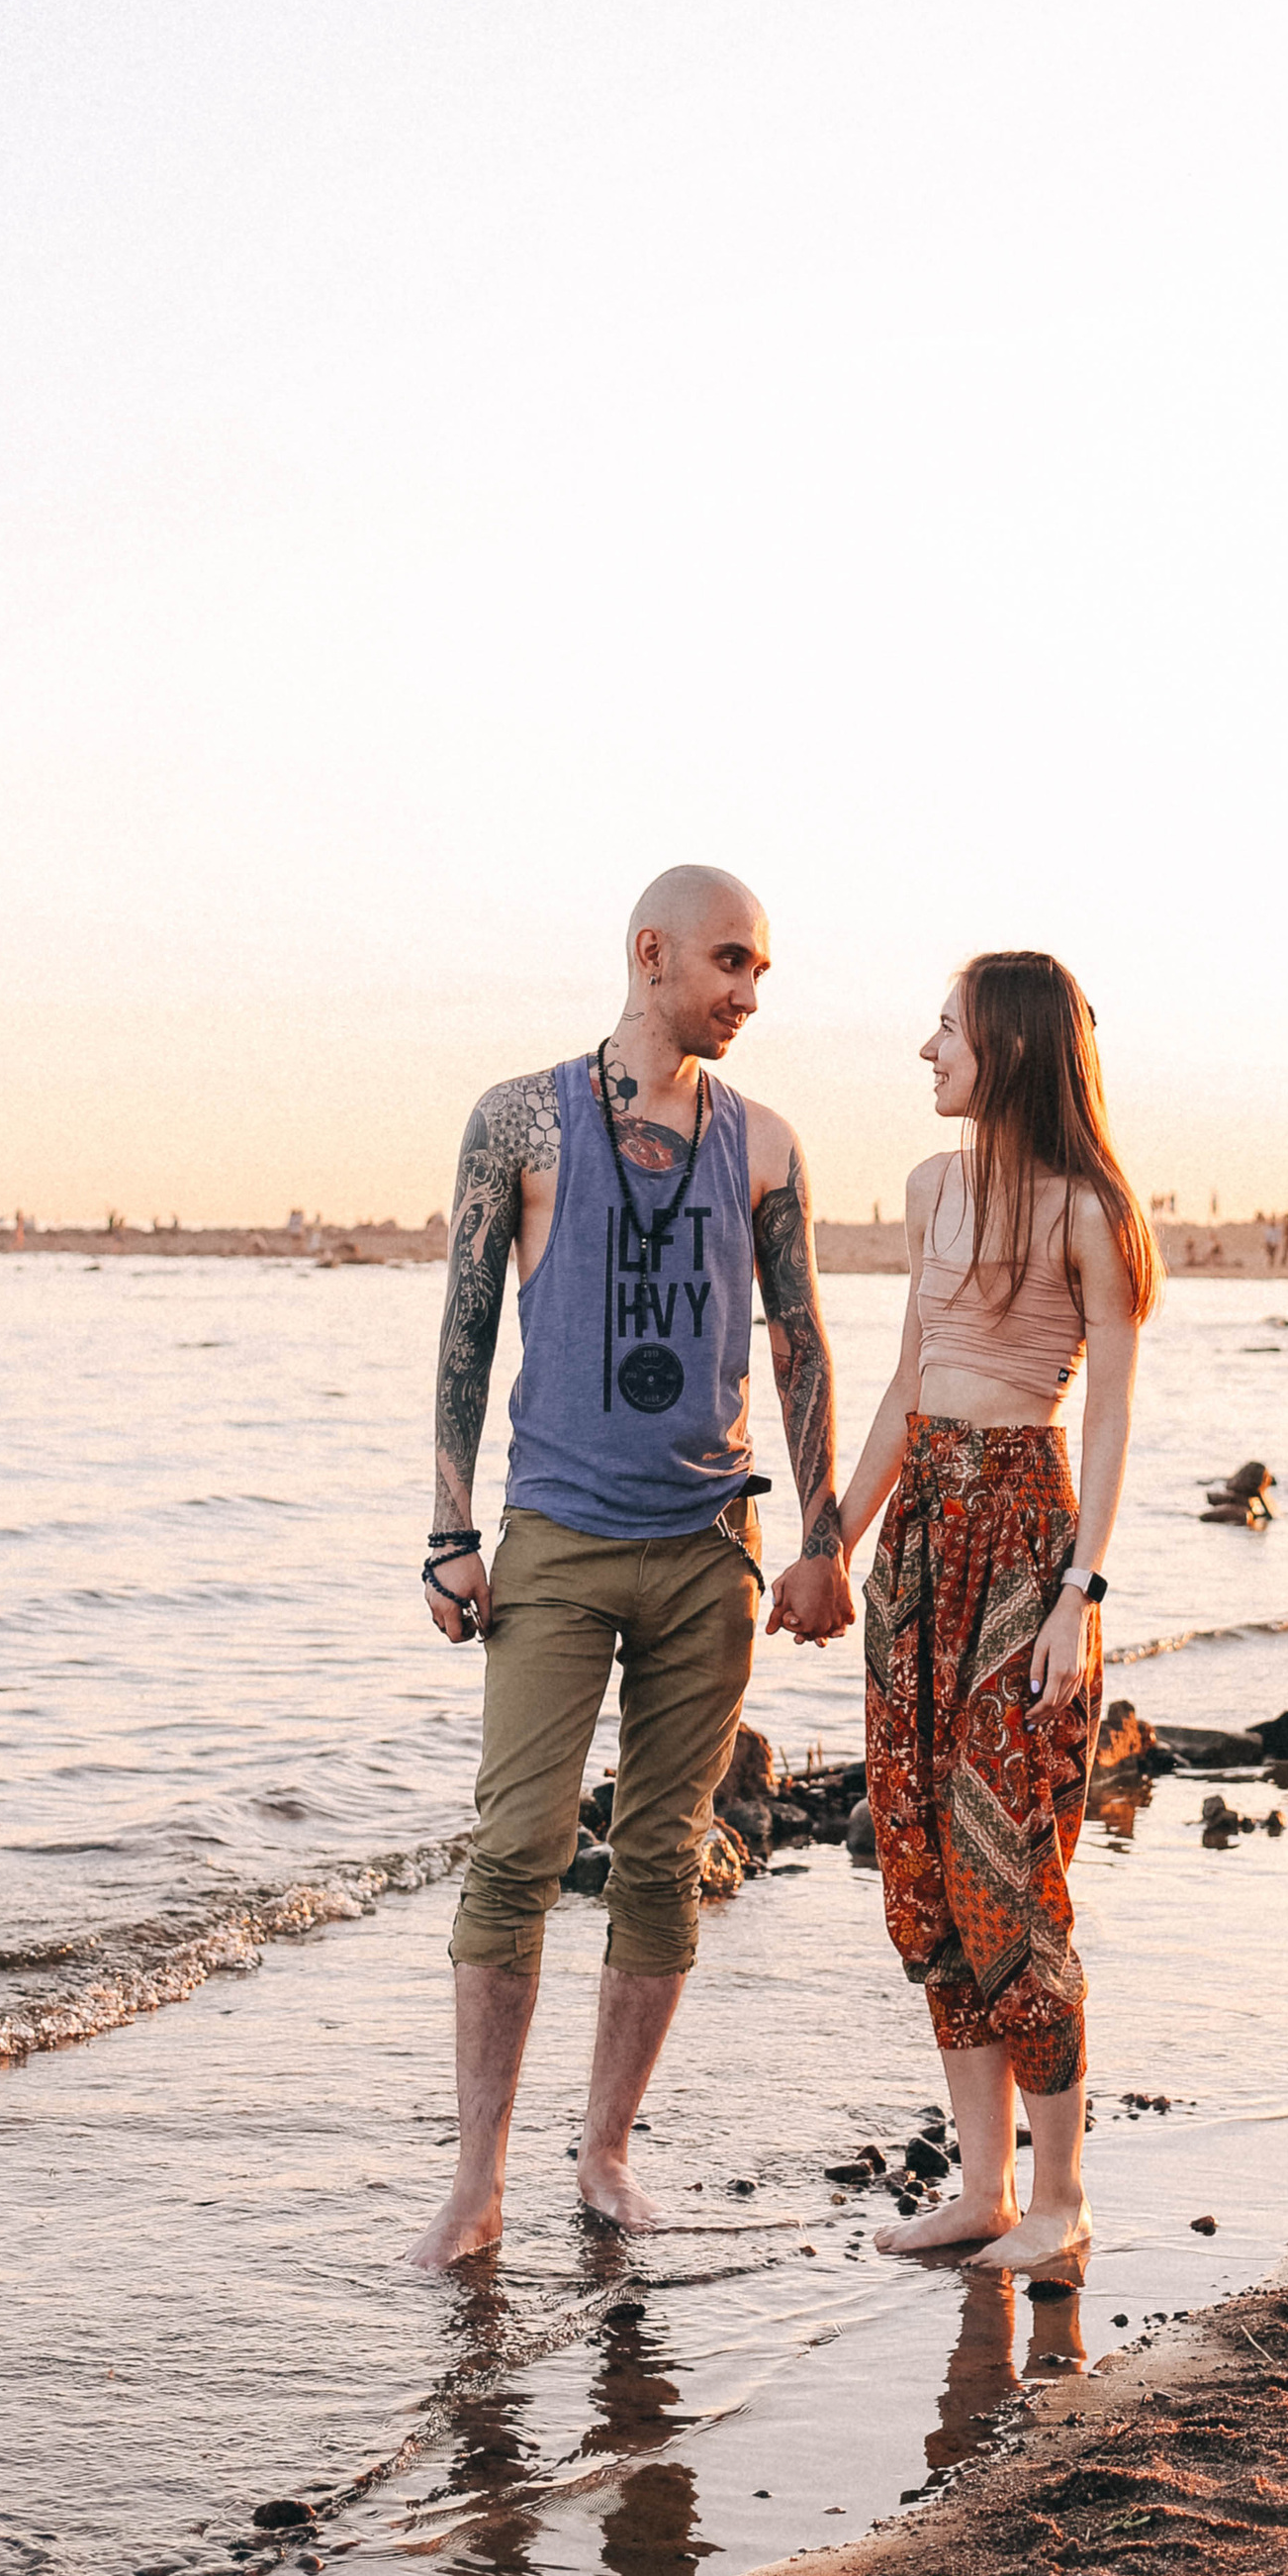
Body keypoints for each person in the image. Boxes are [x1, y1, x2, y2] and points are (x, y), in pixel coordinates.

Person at [404, 864, 855, 2269]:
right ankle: (476, 2183)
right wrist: (447, 1529)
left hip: (713, 1549)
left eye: (762, 969)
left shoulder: (767, 1144)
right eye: (732, 963)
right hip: (555, 1542)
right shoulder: (522, 1119)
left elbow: (801, 1345)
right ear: (650, 953)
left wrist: (828, 1540)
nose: (751, 993)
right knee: (516, 1851)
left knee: (662, 1859)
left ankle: (603, 2155)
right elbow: (468, 1324)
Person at [835, 950, 1160, 2278]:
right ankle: (982, 2190)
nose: (926, 1050)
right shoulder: (927, 1193)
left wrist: (1077, 1599)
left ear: (1010, 1049)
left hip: (1026, 1537)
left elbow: (1113, 1411)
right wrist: (826, 1544)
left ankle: (1062, 2200)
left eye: (947, 1029)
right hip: (918, 1542)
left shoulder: (1093, 1211)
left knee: (1011, 1874)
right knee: (919, 1867)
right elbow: (910, 1380)